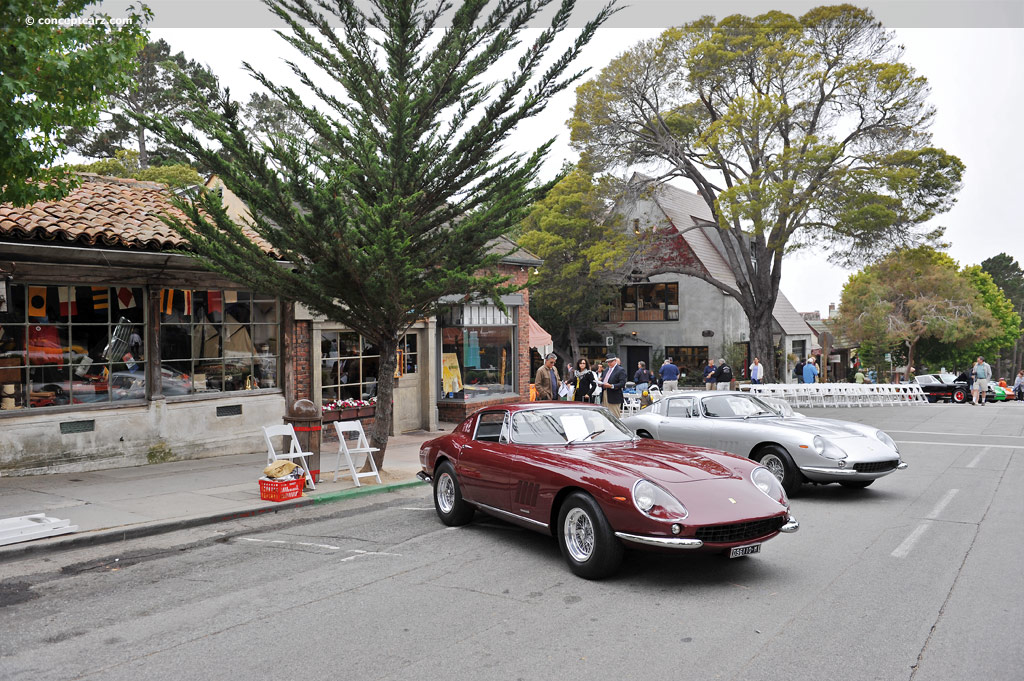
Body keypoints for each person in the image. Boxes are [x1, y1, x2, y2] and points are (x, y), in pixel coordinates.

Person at [598, 353, 627, 417]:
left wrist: (612, 386)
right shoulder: (606, 370)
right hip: (605, 394)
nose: (609, 363)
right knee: (605, 415)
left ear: (615, 361)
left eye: (611, 361)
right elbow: (603, 380)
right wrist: (600, 383)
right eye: (608, 362)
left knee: (614, 415)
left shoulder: (620, 370)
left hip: (614, 396)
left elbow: (622, 383)